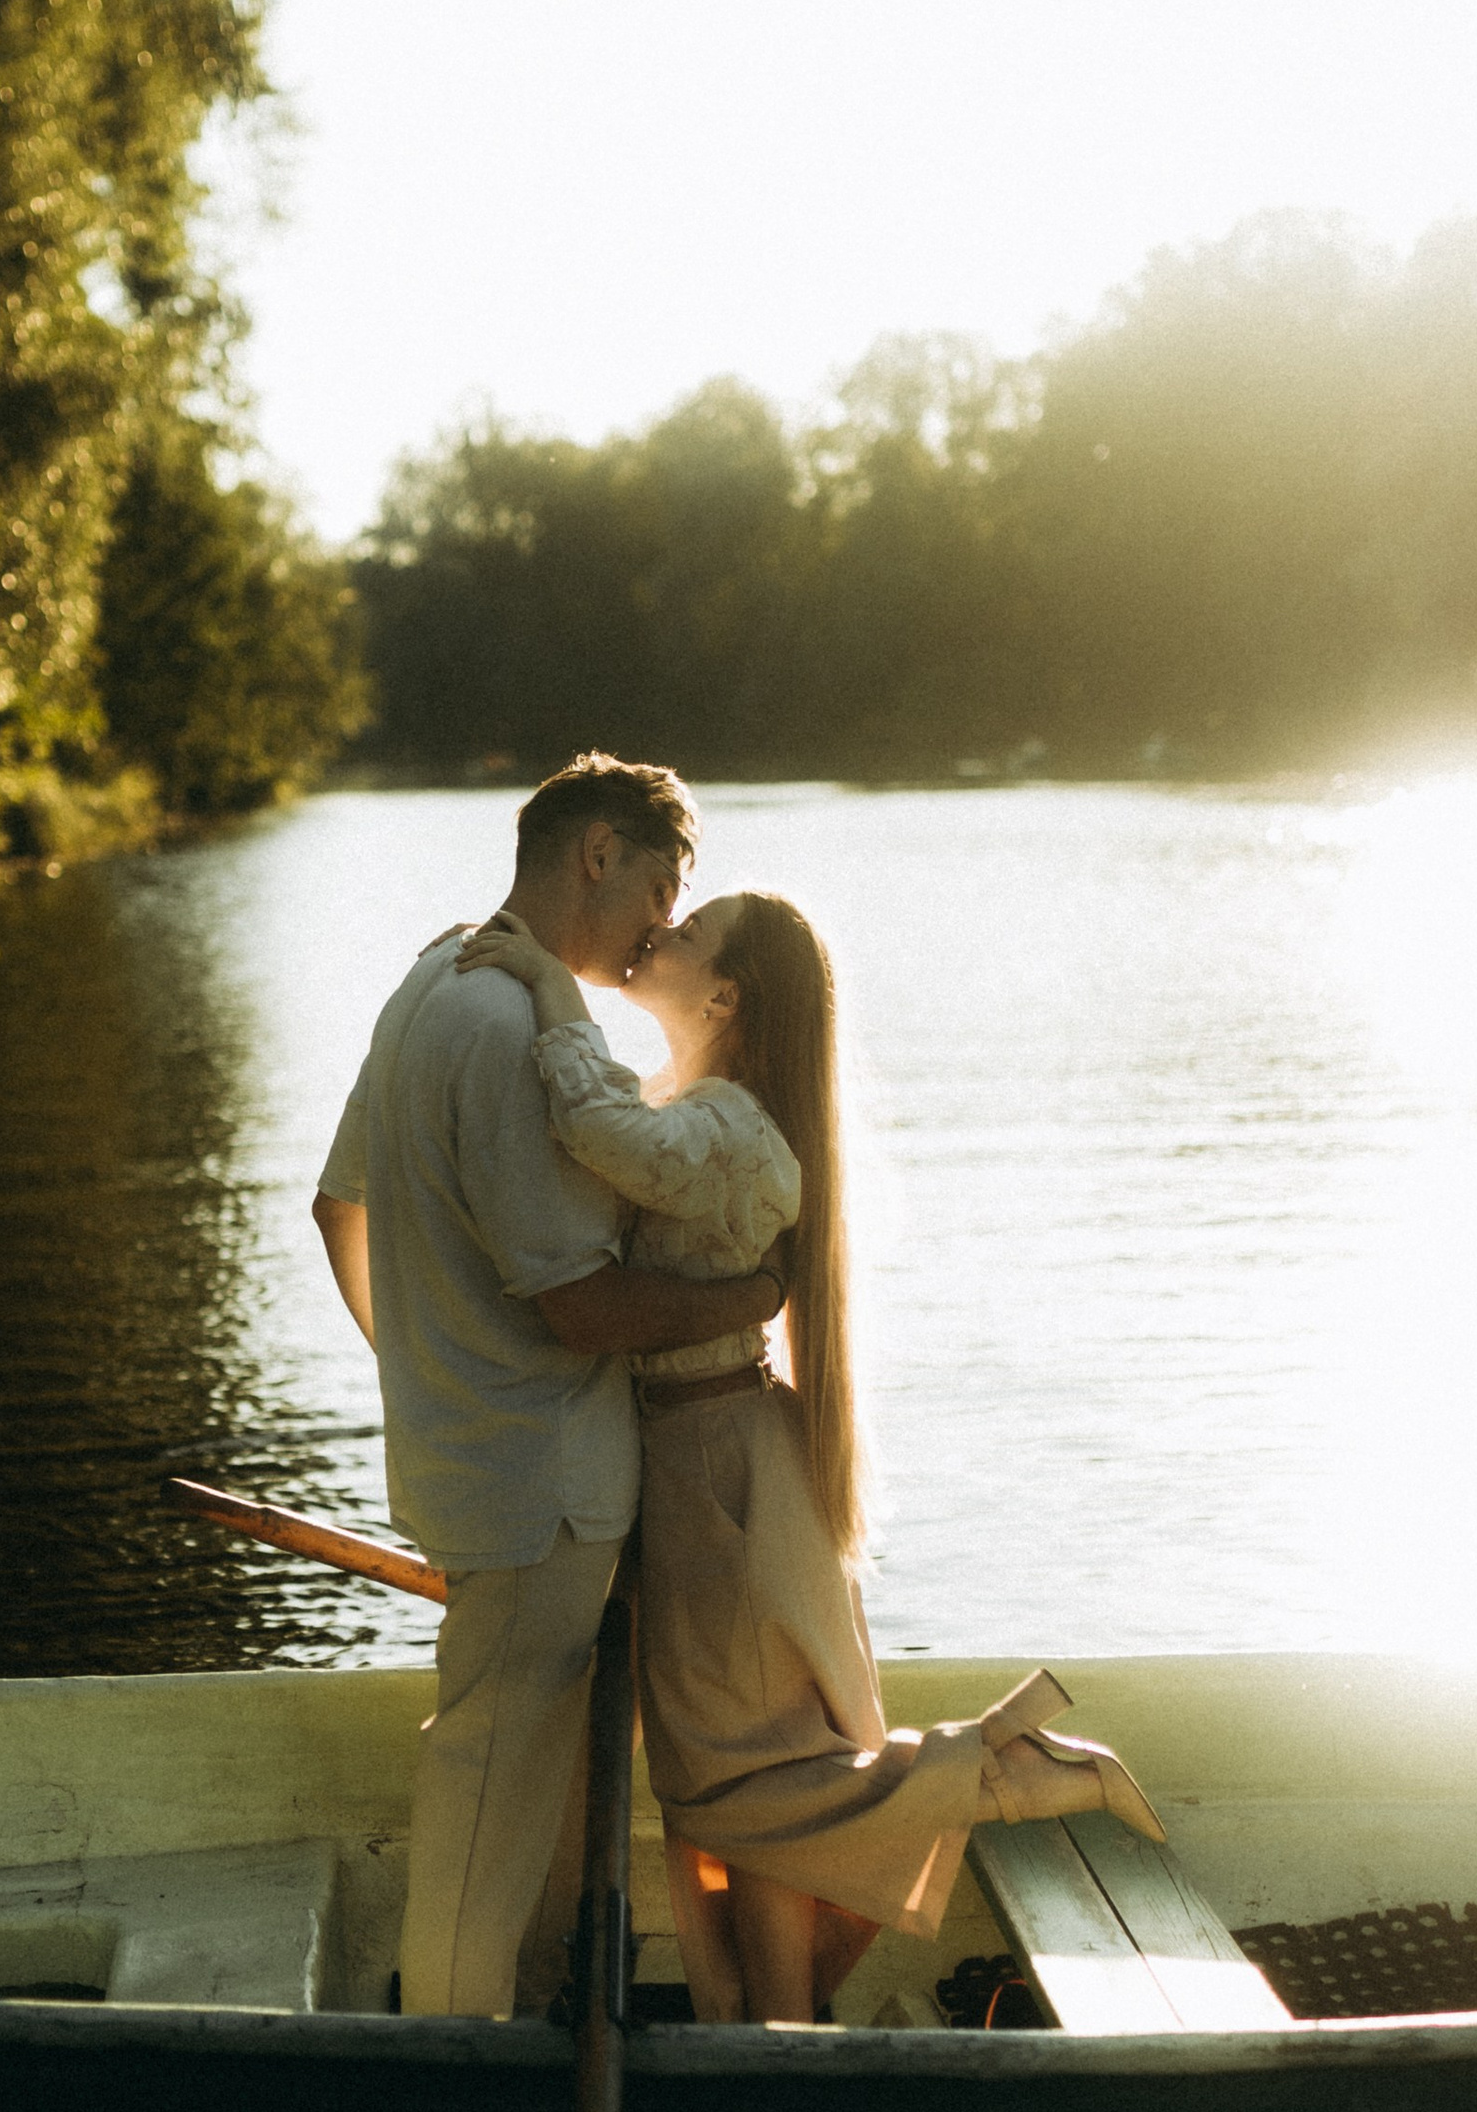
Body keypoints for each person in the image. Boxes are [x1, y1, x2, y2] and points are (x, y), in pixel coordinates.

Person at [454, 885, 1163, 2024]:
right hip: (708, 1465)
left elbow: (594, 1132)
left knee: (734, 1780)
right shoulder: (699, 1105)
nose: (661, 934)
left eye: (688, 934)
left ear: (725, 994)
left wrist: (547, 985)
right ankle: (773, 2024)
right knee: (749, 1777)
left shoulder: (730, 1128)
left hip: (716, 1471)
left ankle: (995, 1773)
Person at [312, 755, 793, 2017]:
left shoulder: (427, 981)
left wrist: (431, 1374)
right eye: (660, 883)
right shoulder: (516, 1024)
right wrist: (743, 1304)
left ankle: (527, 2013)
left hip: (470, 1462)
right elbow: (581, 1308)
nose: (658, 924)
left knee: (516, 1781)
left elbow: (336, 1207)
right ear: (597, 856)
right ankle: (453, 2055)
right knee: (486, 1799)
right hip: (545, 1492)